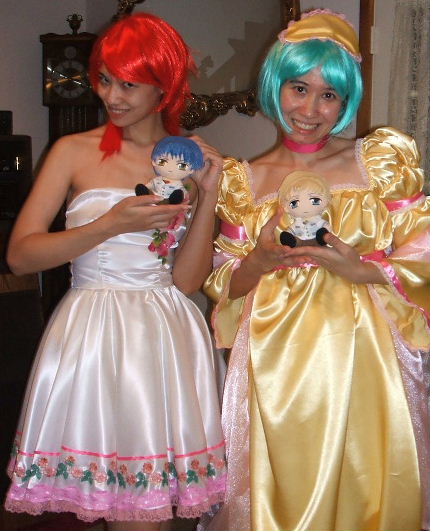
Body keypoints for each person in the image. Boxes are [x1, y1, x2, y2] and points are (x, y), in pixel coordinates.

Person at [203, 9, 430, 531]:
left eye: (329, 95)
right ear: (275, 86)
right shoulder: (245, 181)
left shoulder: (378, 164)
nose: (310, 109)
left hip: (367, 359)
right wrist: (259, 261)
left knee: (365, 485)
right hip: (275, 365)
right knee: (284, 492)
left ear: (347, 100)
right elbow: (224, 283)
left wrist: (364, 270)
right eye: (298, 88)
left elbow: (423, 249)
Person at [5, 12, 226, 531]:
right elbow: (21, 256)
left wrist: (210, 194)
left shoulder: (188, 161)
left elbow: (187, 281)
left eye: (129, 84)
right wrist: (109, 225)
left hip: (163, 336)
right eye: (105, 79)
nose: (111, 95)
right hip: (92, 330)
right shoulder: (72, 152)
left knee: (149, 514)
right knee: (120, 507)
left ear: (164, 87)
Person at [277, 170, 331, 247]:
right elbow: (290, 231)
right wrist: (288, 235)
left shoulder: (318, 221)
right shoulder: (297, 223)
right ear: (286, 208)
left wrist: (325, 233)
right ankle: (293, 242)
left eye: (315, 200)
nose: (305, 206)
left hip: (317, 242)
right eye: (294, 203)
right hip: (300, 243)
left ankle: (322, 238)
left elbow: (326, 226)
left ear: (325, 202)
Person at [150, 136, 204, 204]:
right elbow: (150, 185)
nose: (170, 168)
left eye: (181, 165)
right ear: (154, 162)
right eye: (163, 161)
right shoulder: (157, 180)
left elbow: (183, 193)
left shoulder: (179, 184)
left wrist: (208, 192)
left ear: (191, 170)